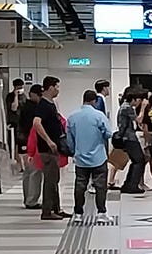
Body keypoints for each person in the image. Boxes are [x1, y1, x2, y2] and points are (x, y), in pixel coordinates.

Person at [66, 88, 115, 223]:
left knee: (80, 185)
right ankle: (101, 213)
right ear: (94, 101)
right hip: (98, 157)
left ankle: (78, 214)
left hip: (80, 158)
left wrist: (73, 151)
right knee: (100, 186)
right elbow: (109, 133)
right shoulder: (99, 116)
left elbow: (69, 140)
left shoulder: (72, 117)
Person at [32, 74, 68, 221]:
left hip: (54, 148)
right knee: (50, 180)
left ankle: (56, 208)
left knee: (55, 179)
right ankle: (47, 211)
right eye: (57, 87)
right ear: (51, 87)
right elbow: (36, 123)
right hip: (48, 149)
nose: (58, 90)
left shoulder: (50, 104)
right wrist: (48, 141)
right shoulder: (43, 105)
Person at [114, 88, 148, 194]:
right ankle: (132, 185)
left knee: (136, 161)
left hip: (127, 137)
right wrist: (143, 108)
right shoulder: (127, 107)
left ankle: (128, 184)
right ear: (134, 99)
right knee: (139, 160)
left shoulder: (124, 106)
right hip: (129, 138)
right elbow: (138, 120)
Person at [16, 83, 43, 207]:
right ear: (33, 94)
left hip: (24, 141)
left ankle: (28, 198)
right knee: (34, 171)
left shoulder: (25, 106)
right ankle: (31, 200)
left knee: (28, 171)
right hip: (30, 142)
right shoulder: (33, 108)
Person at [4, 78, 25, 170]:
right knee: (15, 144)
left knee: (21, 145)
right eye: (19, 87)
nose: (20, 89)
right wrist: (16, 96)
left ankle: (22, 165)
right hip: (14, 124)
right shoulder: (10, 97)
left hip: (22, 124)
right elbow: (14, 108)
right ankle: (20, 165)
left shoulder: (24, 96)